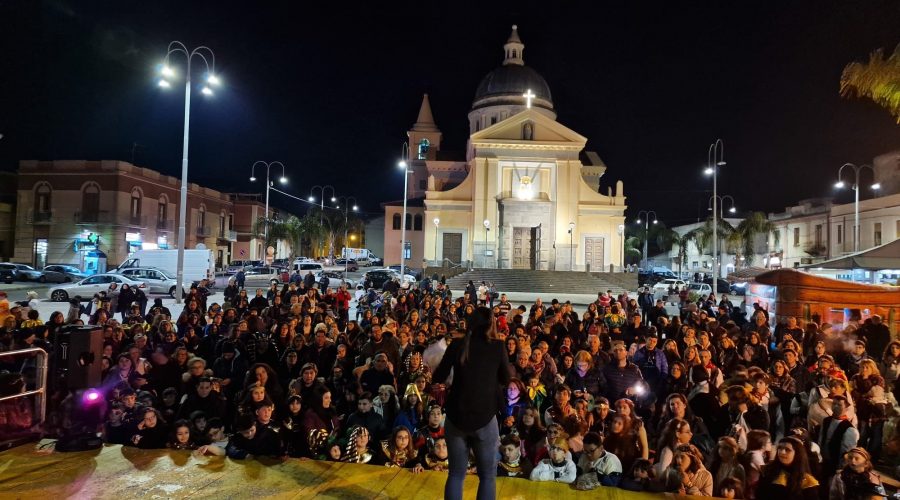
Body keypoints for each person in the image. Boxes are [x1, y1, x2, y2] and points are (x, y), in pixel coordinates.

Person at [433, 306, 511, 500]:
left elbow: (439, 376)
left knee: (456, 475)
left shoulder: (457, 345)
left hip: (456, 416)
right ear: (491, 324)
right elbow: (506, 378)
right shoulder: (497, 346)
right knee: (487, 477)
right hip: (484, 416)